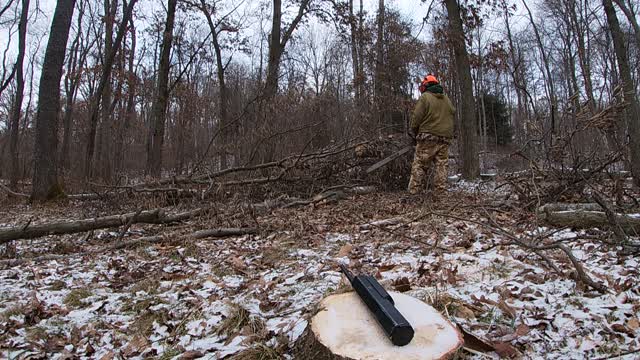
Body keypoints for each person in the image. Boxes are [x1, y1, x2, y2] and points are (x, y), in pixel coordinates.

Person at [408, 74, 455, 195]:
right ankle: (440, 192)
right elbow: (452, 113)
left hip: (428, 136)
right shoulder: (447, 99)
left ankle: (414, 191)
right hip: (445, 138)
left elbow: (417, 117)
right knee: (441, 166)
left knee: (420, 164)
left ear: (426, 86)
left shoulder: (425, 97)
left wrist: (414, 130)